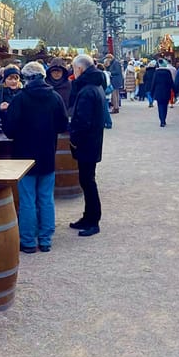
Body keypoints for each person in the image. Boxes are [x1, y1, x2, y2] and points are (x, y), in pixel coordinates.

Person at [2, 61, 69, 253]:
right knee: (46, 198)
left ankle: (28, 241)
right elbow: (62, 125)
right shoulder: (55, 97)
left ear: (26, 78)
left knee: (27, 199)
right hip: (47, 153)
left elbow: (9, 131)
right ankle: (46, 239)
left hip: (24, 156)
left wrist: (5, 114)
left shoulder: (20, 99)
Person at [66, 54, 107, 236]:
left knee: (88, 182)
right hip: (93, 141)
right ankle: (88, 217)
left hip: (87, 142)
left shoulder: (87, 90)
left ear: (80, 69)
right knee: (87, 180)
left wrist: (74, 139)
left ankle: (93, 221)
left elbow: (82, 121)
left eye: (74, 68)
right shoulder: (94, 86)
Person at [144, 57, 176, 126]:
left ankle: (161, 120)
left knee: (160, 106)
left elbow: (153, 83)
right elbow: (171, 82)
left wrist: (152, 92)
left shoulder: (156, 72)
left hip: (158, 92)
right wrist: (175, 90)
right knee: (165, 106)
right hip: (166, 91)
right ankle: (164, 119)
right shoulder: (168, 72)